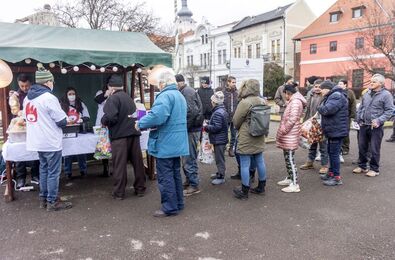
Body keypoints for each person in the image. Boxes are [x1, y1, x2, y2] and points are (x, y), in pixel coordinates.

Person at [137, 66, 189, 217]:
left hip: (166, 142)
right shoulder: (179, 95)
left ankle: (169, 207)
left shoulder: (165, 96)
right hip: (177, 142)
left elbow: (157, 117)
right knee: (175, 174)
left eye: (159, 84)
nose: (158, 86)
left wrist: (140, 123)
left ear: (163, 84)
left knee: (165, 176)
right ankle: (178, 202)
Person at [24, 68, 72, 211]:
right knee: (53, 173)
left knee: (43, 170)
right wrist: (66, 118)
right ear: (48, 82)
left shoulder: (28, 98)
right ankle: (52, 202)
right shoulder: (49, 98)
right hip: (50, 141)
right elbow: (62, 121)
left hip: (37, 141)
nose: (53, 84)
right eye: (52, 81)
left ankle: (43, 199)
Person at [101, 74, 146, 199]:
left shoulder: (113, 99)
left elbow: (110, 117)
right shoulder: (128, 97)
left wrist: (103, 120)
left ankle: (119, 192)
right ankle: (140, 188)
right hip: (134, 134)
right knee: (137, 163)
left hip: (120, 137)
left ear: (111, 88)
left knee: (119, 165)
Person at [232, 79, 267, 200]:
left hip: (247, 136)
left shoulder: (245, 102)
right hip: (260, 135)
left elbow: (236, 121)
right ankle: (261, 187)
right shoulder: (262, 101)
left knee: (245, 164)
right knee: (260, 161)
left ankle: (244, 191)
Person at [353, 74, 394, 177]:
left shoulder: (386, 95)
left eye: (374, 81)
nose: (371, 83)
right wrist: (358, 118)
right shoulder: (366, 93)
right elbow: (361, 107)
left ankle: (374, 169)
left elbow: (390, 110)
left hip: (376, 127)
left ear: (381, 83)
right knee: (362, 147)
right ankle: (362, 166)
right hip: (363, 125)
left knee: (374, 148)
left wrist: (379, 120)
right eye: (371, 81)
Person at [175, 74, 203, 196]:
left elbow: (191, 112)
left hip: (191, 130)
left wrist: (184, 127)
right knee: (188, 157)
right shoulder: (188, 91)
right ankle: (189, 181)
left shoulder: (186, 92)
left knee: (189, 157)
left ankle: (193, 184)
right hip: (192, 128)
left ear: (178, 83)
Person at [10, 74, 40, 188]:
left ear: (30, 83)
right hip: (20, 126)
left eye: (26, 85)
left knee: (35, 150)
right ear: (18, 84)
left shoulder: (36, 94)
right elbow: (14, 109)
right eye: (22, 86)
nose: (24, 88)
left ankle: (35, 175)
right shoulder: (15, 96)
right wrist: (21, 113)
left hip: (34, 125)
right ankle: (20, 178)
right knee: (20, 151)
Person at [276, 84, 306, 193]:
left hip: (290, 135)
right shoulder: (293, 101)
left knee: (290, 160)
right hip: (289, 135)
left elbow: (292, 119)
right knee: (288, 159)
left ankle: (294, 184)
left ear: (287, 93)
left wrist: (284, 129)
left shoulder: (295, 102)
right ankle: (290, 178)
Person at [318, 81, 349, 186]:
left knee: (334, 154)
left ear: (327, 88)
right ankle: (331, 173)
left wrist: (319, 107)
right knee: (331, 153)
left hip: (336, 131)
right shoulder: (332, 95)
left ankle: (336, 178)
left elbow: (327, 110)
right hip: (333, 130)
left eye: (321, 89)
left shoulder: (336, 96)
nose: (320, 91)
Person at [59, 87, 90, 179]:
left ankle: (83, 170)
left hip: (79, 130)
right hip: (67, 131)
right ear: (66, 95)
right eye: (70, 94)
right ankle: (68, 172)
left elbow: (87, 117)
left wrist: (81, 119)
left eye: (73, 94)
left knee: (81, 150)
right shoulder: (62, 105)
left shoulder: (81, 104)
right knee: (67, 152)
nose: (72, 96)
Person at [300, 79, 329, 175]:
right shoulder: (311, 95)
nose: (317, 89)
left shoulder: (326, 97)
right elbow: (307, 109)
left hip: (321, 124)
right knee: (312, 144)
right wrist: (305, 121)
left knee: (323, 146)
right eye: (315, 87)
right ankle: (310, 162)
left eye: (319, 87)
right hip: (312, 123)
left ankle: (324, 165)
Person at [203, 91, 229, 185]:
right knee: (220, 158)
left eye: (211, 100)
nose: (211, 102)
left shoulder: (218, 112)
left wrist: (206, 127)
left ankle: (221, 176)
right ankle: (219, 173)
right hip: (221, 138)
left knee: (219, 159)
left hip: (219, 139)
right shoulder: (222, 110)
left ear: (214, 102)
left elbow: (217, 127)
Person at [94, 78, 112, 177]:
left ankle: (115, 167)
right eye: (110, 83)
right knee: (104, 146)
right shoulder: (100, 92)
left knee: (115, 145)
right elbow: (97, 99)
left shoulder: (117, 94)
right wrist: (106, 94)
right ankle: (106, 167)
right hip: (102, 123)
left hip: (114, 123)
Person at [338, 79, 357, 156]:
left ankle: (345, 148)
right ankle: (339, 148)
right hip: (338, 115)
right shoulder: (337, 92)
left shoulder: (350, 93)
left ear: (345, 85)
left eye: (341, 84)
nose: (339, 85)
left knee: (345, 132)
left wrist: (352, 115)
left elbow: (353, 104)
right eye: (338, 84)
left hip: (347, 115)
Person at [220, 76, 238, 157]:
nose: (234, 84)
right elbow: (221, 104)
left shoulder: (237, 93)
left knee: (234, 134)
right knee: (224, 133)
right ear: (228, 82)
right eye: (233, 82)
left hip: (234, 117)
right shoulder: (223, 93)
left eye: (235, 82)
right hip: (226, 117)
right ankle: (223, 148)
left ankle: (231, 149)